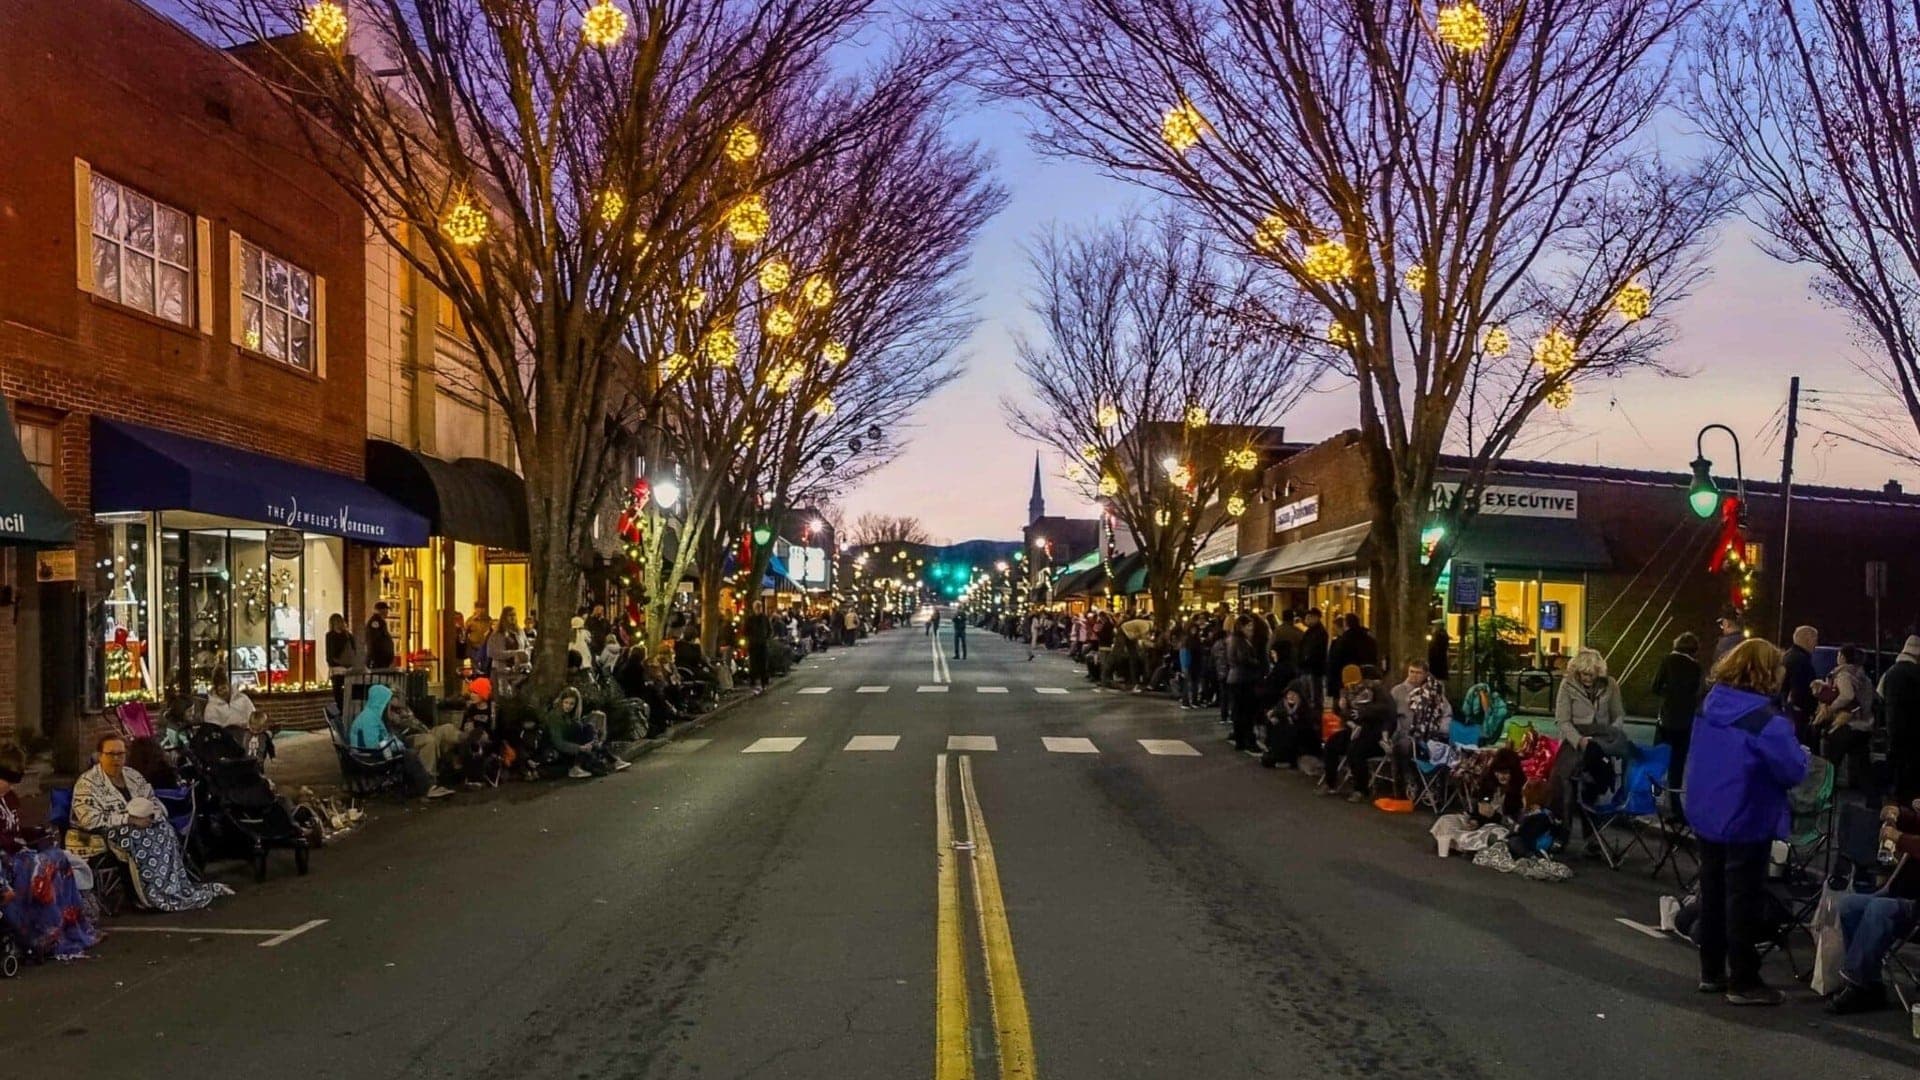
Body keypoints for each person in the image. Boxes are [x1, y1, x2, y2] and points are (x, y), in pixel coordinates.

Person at [1683, 638, 1809, 1006]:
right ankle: (1744, 979)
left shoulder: (1710, 704)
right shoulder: (1767, 721)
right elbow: (1792, 770)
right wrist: (1801, 752)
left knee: (1713, 891)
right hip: (1746, 815)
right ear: (1768, 672)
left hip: (1708, 811)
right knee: (1743, 898)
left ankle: (1711, 971)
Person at [70, 735, 233, 911]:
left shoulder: (133, 776)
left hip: (143, 822)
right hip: (110, 830)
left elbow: (153, 800)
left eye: (120, 754)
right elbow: (88, 819)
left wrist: (153, 815)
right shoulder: (87, 783)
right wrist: (128, 819)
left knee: (165, 829)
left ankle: (172, 889)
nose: (116, 759)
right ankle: (150, 895)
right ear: (100, 755)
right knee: (140, 837)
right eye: (111, 754)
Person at [0, 746, 101, 960]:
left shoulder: (8, 799)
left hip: (18, 853)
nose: (9, 786)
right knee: (43, 868)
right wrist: (17, 843)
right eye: (6, 779)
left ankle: (73, 929)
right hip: (6, 860)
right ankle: (45, 935)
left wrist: (32, 833)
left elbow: (13, 830)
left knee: (59, 858)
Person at [1826, 800, 1920, 1014]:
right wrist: (1896, 813)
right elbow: (1915, 817)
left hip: (1915, 907)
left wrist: (1899, 838)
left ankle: (1857, 983)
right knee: (1850, 905)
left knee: (1878, 909)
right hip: (1901, 892)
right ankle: (1870, 984)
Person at [1549, 647, 1631, 848]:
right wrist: (1579, 740)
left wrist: (1611, 734)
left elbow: (1618, 714)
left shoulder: (1610, 684)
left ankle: (1591, 837)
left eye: (1592, 674)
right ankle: (1562, 834)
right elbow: (1563, 720)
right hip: (1574, 740)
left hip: (1601, 740)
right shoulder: (1567, 685)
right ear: (1577, 671)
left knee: (1592, 788)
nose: (1588, 678)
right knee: (1565, 786)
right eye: (1584, 674)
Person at [347, 684, 454, 799]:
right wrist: (395, 744)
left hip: (390, 744)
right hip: (371, 756)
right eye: (389, 701)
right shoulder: (369, 719)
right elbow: (373, 746)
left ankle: (428, 782)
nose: (390, 704)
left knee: (427, 741)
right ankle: (427, 786)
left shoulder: (375, 715)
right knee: (409, 754)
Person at [1321, 665, 1394, 801]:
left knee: (1355, 750)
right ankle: (1330, 783)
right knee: (1331, 744)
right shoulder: (1346, 693)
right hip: (1354, 728)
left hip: (1373, 731)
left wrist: (1364, 712)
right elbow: (1346, 715)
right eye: (1348, 683)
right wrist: (1341, 708)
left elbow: (1386, 710)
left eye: (1353, 682)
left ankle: (1361, 789)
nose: (1351, 686)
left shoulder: (1375, 689)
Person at [1817, 645, 1877, 792]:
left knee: (1832, 762)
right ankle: (1871, 799)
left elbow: (1847, 695)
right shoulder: (1864, 678)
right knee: (1862, 764)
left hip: (1846, 725)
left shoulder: (1844, 675)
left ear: (1843, 657)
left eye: (1839, 655)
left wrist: (1831, 708)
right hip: (1864, 726)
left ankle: (1826, 793)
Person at [1651, 632, 1705, 791]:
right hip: (1686, 722)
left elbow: (1654, 687)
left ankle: (1654, 794)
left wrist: (1667, 695)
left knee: (1658, 758)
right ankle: (1674, 798)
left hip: (1666, 718)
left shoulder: (1667, 661)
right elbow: (1698, 693)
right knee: (1678, 763)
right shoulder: (1696, 667)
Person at [547, 687, 631, 778]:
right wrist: (579, 748)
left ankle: (611, 760)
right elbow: (559, 743)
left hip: (577, 746)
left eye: (572, 704)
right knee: (585, 730)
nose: (568, 706)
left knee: (588, 728)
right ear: (561, 702)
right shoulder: (554, 717)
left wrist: (590, 742)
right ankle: (610, 760)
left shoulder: (571, 715)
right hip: (563, 750)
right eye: (566, 703)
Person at [1879, 635, 1920, 800]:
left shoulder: (1890, 673)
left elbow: (1879, 697)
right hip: (1915, 736)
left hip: (1894, 733)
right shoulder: (1916, 673)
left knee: (1898, 781)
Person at [204, 671, 274, 763]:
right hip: (226, 736)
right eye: (220, 690)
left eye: (224, 688)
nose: (223, 692)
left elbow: (252, 714)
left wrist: (252, 728)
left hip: (246, 730)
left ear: (228, 686)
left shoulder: (242, 699)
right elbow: (212, 725)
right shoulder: (212, 706)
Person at [1225, 615, 1264, 752]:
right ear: (1242, 627)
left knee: (1239, 711)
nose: (1251, 629)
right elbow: (1244, 659)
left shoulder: (1234, 640)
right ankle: (1248, 740)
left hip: (1236, 678)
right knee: (1246, 711)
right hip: (1243, 678)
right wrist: (1257, 663)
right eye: (1249, 626)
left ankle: (1240, 739)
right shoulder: (1240, 641)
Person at [1782, 625, 1819, 743]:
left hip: (1789, 712)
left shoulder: (1789, 656)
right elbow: (1801, 691)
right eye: (1815, 639)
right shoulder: (1801, 660)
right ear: (1807, 639)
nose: (1816, 644)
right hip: (1797, 716)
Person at [1299, 609, 1329, 704]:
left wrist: (1306, 660)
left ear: (1316, 618)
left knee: (1314, 696)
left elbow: (1314, 651)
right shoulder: (1310, 632)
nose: (1306, 620)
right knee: (1307, 696)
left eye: (1308, 618)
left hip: (1314, 670)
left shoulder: (1320, 633)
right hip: (1307, 669)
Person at [744, 607, 773, 694]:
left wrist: (765, 638)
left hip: (762, 644)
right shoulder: (750, 619)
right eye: (757, 608)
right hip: (754, 644)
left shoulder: (764, 618)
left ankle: (764, 682)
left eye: (759, 607)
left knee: (763, 664)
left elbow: (769, 629)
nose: (758, 609)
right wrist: (751, 639)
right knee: (753, 664)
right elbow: (746, 630)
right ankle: (754, 683)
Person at [366, 601, 398, 670]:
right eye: (386, 609)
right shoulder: (376, 622)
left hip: (382, 660)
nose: (387, 612)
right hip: (378, 660)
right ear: (380, 610)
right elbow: (374, 640)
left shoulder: (380, 621)